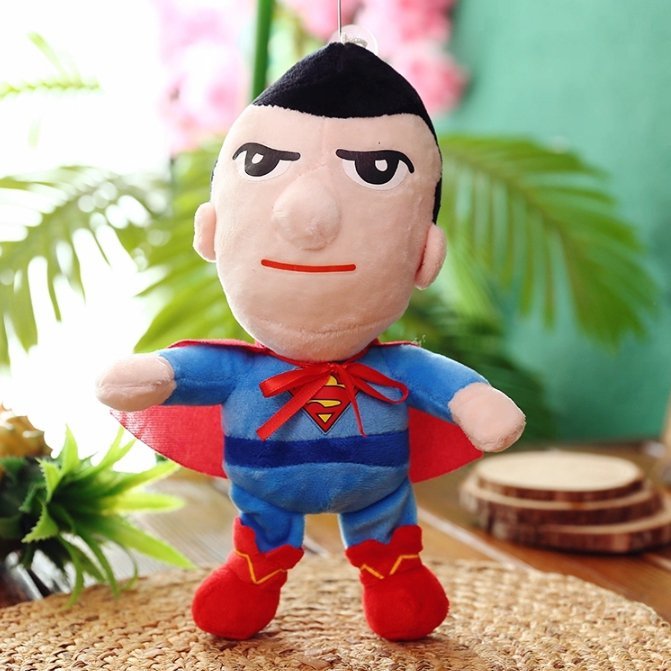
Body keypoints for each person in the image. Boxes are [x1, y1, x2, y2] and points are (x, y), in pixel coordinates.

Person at [96, 42, 525, 641]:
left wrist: (476, 402)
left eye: (376, 170)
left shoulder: (399, 368)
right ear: (212, 232)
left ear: (425, 254)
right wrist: (154, 375)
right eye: (263, 164)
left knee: (387, 531)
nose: (309, 216)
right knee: (261, 532)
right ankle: (255, 570)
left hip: (378, 488)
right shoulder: (240, 370)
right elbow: (183, 371)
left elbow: (447, 387)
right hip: (264, 489)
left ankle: (393, 572)